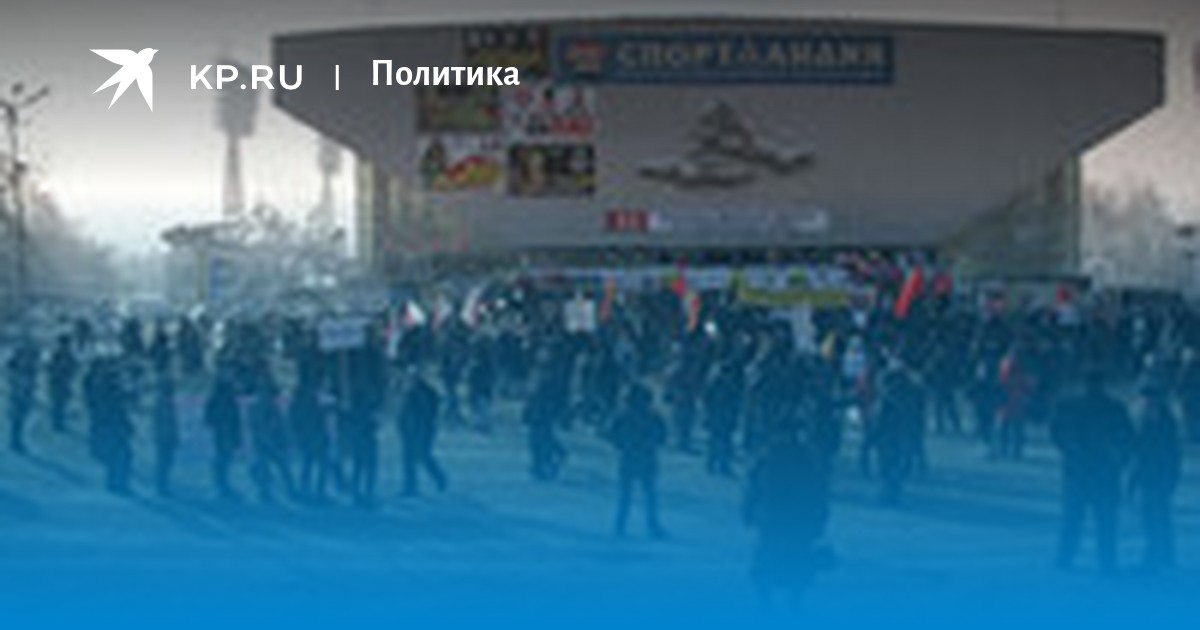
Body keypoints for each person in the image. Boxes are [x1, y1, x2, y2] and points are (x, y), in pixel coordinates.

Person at [1051, 369, 1134, 573]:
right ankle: (1107, 560)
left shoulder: (1069, 406)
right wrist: (1119, 459)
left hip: (1077, 471)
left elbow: (1056, 433)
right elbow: (1128, 439)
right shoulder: (1114, 408)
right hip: (1104, 472)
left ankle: (1065, 557)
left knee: (1073, 518)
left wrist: (1069, 451)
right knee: (1106, 521)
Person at [743, 423, 832, 609]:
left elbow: (753, 488)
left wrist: (748, 512)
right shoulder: (805, 458)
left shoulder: (769, 457)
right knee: (788, 562)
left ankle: (774, 600)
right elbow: (819, 492)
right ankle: (784, 601)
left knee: (776, 561)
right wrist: (819, 518)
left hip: (778, 519)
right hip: (788, 520)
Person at [1129, 380, 1182, 573]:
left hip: (1160, 475)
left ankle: (1157, 553)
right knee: (1154, 516)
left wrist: (1172, 477)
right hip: (1149, 475)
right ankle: (1161, 553)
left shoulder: (1165, 422)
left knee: (1157, 516)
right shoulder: (1147, 421)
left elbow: (1172, 453)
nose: (1145, 402)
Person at [608, 384, 668, 539]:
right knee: (649, 495)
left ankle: (620, 525)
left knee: (626, 496)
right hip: (647, 458)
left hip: (629, 459)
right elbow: (662, 437)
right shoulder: (653, 418)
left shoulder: (623, 417)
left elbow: (613, 437)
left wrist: (625, 445)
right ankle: (651, 524)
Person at [246, 372, 294, 504]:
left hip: (274, 442)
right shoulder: (256, 407)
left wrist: (283, 439)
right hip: (264, 443)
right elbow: (256, 426)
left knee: (281, 466)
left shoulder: (272, 408)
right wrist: (265, 439)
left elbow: (281, 425)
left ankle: (287, 489)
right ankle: (266, 491)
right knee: (266, 467)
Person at [397, 371, 448, 496]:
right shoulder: (413, 393)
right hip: (413, 430)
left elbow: (424, 415)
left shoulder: (420, 394)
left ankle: (439, 478)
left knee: (421, 456)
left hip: (419, 430)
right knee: (412, 458)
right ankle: (411, 485)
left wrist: (415, 429)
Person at [204, 375, 243, 501]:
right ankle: (220, 484)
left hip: (228, 434)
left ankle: (223, 484)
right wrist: (219, 424)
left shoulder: (231, 402)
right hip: (221, 434)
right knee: (221, 458)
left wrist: (237, 437)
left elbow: (236, 421)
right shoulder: (215, 401)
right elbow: (208, 419)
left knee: (226, 458)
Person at [7, 340, 40, 454]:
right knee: (17, 418)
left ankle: (16, 440)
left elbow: (32, 382)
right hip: (18, 395)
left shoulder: (30, 368)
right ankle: (15, 441)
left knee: (21, 418)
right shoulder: (18, 368)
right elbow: (14, 380)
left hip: (24, 395)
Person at [151, 374, 180, 497]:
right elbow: (162, 421)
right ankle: (161, 486)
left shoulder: (166, 401)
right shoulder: (162, 401)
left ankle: (163, 485)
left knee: (166, 461)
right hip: (164, 436)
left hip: (165, 435)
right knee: (164, 461)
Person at [46, 334, 79, 433]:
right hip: (57, 382)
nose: (65, 347)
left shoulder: (69, 355)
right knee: (57, 402)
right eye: (64, 344)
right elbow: (49, 368)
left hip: (65, 382)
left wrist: (69, 374)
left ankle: (59, 421)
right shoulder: (56, 355)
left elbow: (75, 367)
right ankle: (56, 422)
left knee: (63, 402)